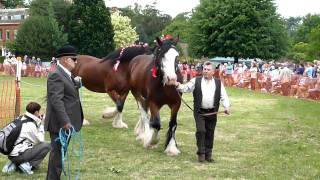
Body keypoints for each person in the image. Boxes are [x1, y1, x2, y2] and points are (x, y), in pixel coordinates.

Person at [175, 61, 230, 163]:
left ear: (213, 72)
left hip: (213, 112)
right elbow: (185, 88)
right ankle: (201, 153)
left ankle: (208, 154)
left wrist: (226, 106)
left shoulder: (218, 83)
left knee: (210, 132)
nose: (205, 71)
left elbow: (224, 96)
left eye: (208, 70)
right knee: (201, 131)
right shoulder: (196, 80)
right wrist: (177, 85)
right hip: (199, 112)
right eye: (204, 69)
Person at [45, 44, 84, 180]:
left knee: (60, 156)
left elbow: (68, 93)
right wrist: (65, 121)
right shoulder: (56, 75)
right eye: (74, 59)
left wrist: (76, 83)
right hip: (60, 124)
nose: (76, 61)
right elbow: (56, 101)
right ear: (65, 59)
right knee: (57, 158)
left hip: (65, 124)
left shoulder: (66, 75)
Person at [2, 102, 50, 175]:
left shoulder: (21, 117)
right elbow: (40, 140)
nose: (40, 113)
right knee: (46, 146)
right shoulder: (30, 125)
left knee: (31, 144)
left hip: (12, 154)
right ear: (36, 112)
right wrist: (42, 124)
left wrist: (38, 121)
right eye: (39, 111)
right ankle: (28, 165)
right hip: (18, 155)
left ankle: (15, 164)